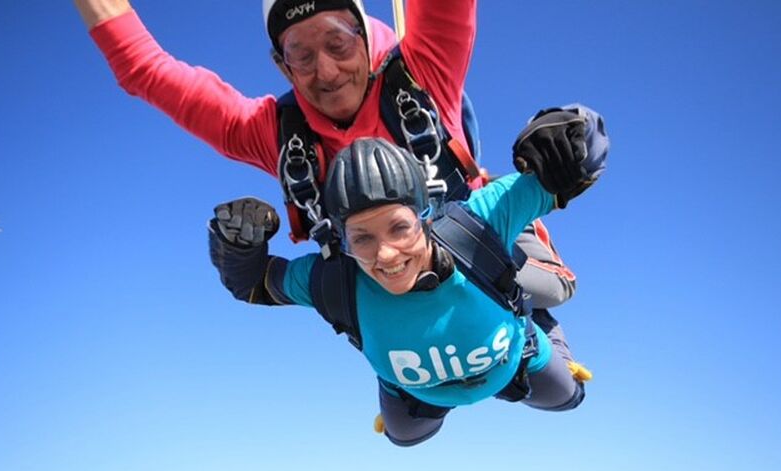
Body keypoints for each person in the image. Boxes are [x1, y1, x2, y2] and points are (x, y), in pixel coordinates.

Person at [74, 0, 594, 362]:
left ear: (365, 36)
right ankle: (412, 394)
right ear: (282, 66)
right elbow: (142, 70)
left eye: (338, 43)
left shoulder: (424, 72)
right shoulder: (272, 133)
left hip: (487, 250)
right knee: (405, 423)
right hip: (383, 281)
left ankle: (533, 331)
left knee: (542, 296)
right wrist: (245, 262)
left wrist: (566, 147)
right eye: (301, 55)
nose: (325, 71)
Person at [208, 107, 607, 446]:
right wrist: (237, 244)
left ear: (426, 217)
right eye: (361, 238)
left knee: (569, 397)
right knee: (404, 438)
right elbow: (254, 284)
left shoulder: (476, 224)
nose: (385, 254)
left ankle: (538, 320)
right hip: (427, 391)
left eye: (400, 228)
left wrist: (566, 132)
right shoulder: (334, 279)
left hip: (515, 358)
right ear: (341, 240)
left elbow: (579, 160)